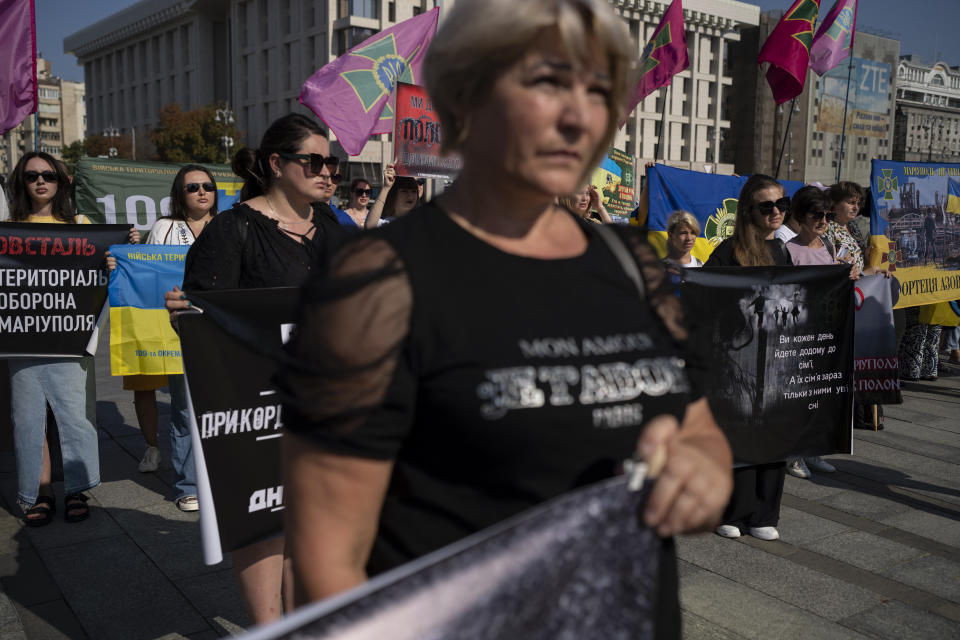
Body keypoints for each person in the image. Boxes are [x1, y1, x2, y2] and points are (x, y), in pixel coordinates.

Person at [277, 2, 733, 638]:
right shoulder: (375, 280)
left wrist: (704, 473)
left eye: (600, 90)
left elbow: (700, 430)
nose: (580, 116)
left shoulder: (632, 262)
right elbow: (328, 570)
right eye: (547, 82)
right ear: (463, 97)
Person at [164, 114, 349, 624]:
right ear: (276, 164)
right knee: (265, 519)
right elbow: (203, 323)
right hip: (257, 406)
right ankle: (269, 627)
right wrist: (186, 315)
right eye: (315, 161)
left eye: (332, 162)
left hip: (322, 401)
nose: (328, 171)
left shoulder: (331, 225)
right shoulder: (232, 230)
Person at [5, 151, 137, 526]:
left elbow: (104, 274)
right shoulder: (8, 227)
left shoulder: (80, 224)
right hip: (23, 337)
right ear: (22, 183)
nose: (41, 181)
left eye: (49, 175)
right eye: (32, 176)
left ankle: (76, 488)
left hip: (71, 337)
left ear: (62, 182)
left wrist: (120, 254)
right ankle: (39, 490)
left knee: (75, 415)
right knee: (28, 417)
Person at [705, 173, 791, 541]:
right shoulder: (728, 251)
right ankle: (732, 509)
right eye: (767, 206)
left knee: (774, 431)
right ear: (748, 211)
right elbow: (704, 298)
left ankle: (763, 513)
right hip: (736, 358)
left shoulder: (784, 251)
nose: (776, 211)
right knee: (737, 432)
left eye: (782, 204)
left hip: (774, 359)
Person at [142, 164, 219, 510]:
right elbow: (146, 273)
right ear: (180, 194)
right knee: (185, 411)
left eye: (207, 185)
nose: (202, 191)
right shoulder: (165, 227)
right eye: (192, 187)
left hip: (221, 331)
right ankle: (188, 484)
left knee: (222, 409)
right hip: (177, 331)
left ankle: (221, 479)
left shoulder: (227, 225)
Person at [782, 186, 858, 480]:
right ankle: (793, 453)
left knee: (818, 394)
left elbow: (840, 280)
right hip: (800, 333)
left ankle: (812, 449)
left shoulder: (827, 245)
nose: (824, 220)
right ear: (800, 216)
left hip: (826, 330)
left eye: (827, 215)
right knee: (799, 396)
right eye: (817, 214)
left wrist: (849, 274)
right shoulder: (788, 249)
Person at [363, 163, 420, 228]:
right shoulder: (384, 223)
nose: (410, 195)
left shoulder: (422, 223)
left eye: (414, 191)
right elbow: (369, 226)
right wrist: (386, 187)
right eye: (404, 191)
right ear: (393, 195)